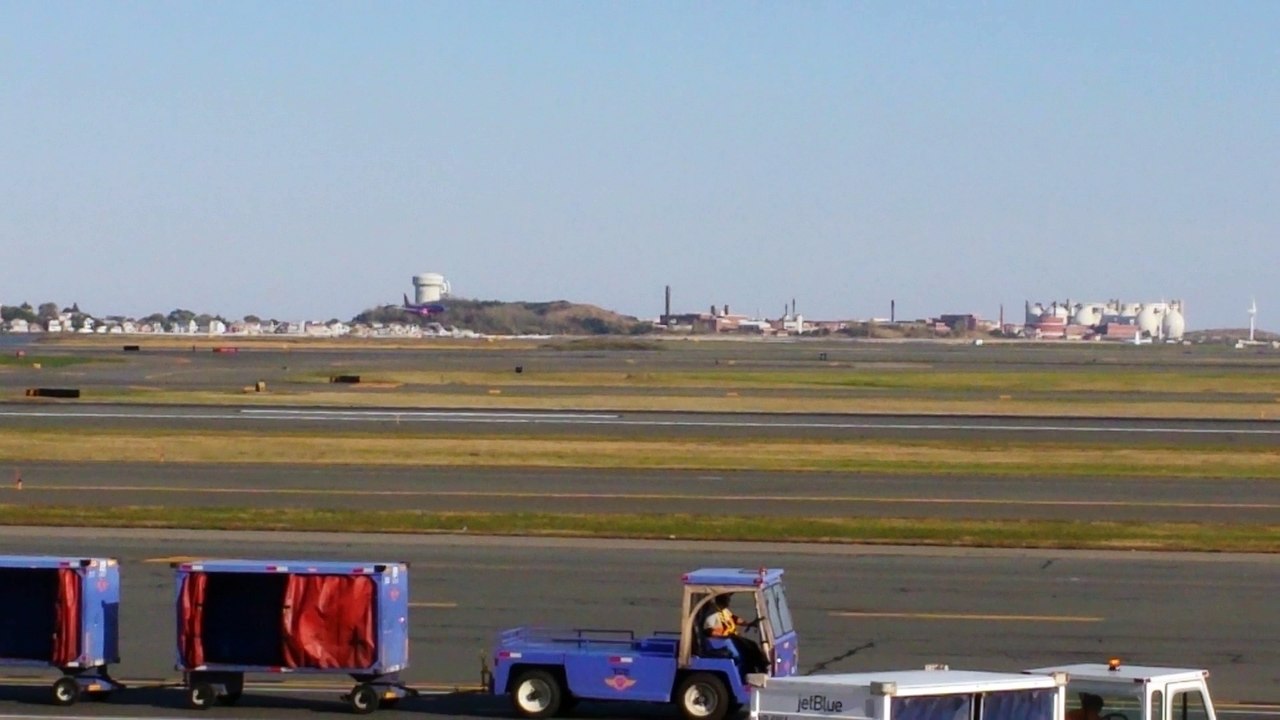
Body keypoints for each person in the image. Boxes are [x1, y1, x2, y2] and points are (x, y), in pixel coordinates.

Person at [702, 594, 768, 673]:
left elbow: (733, 618)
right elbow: (709, 631)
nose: (729, 600)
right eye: (727, 598)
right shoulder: (712, 613)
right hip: (724, 639)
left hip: (732, 637)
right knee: (749, 648)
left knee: (752, 645)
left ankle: (759, 667)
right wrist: (724, 635)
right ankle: (754, 669)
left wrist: (748, 623)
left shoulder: (724, 610)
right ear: (721, 599)